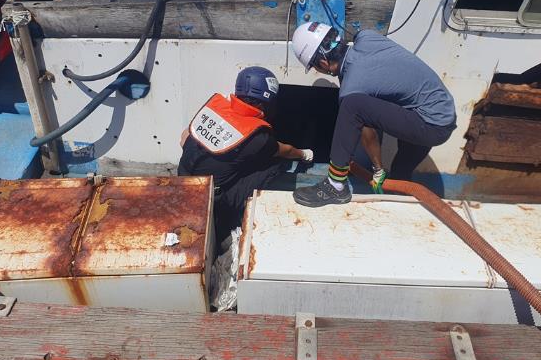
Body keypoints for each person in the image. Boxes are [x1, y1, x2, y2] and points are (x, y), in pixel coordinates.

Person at [291, 22, 456, 207]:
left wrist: (378, 169)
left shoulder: (351, 90)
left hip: (430, 125)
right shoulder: (367, 36)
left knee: (352, 106)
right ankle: (401, 202)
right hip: (441, 112)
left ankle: (335, 185)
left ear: (323, 63)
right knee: (400, 172)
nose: (317, 70)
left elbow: (367, 132)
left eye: (315, 67)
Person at [178, 66, 313, 243]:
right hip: (211, 196)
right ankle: (227, 218)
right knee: (276, 164)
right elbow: (286, 151)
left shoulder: (215, 108)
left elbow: (184, 137)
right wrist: (304, 154)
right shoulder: (258, 137)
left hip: (182, 177)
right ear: (265, 104)